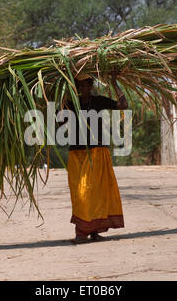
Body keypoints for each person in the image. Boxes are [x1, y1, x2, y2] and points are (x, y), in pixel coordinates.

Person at [65, 74, 128, 244]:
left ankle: (92, 231)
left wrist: (114, 82)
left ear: (91, 86)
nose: (83, 89)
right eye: (79, 86)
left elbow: (123, 105)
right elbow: (60, 122)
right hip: (77, 153)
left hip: (97, 152)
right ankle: (82, 231)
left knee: (98, 192)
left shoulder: (98, 101)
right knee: (82, 193)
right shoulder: (70, 104)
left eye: (85, 86)